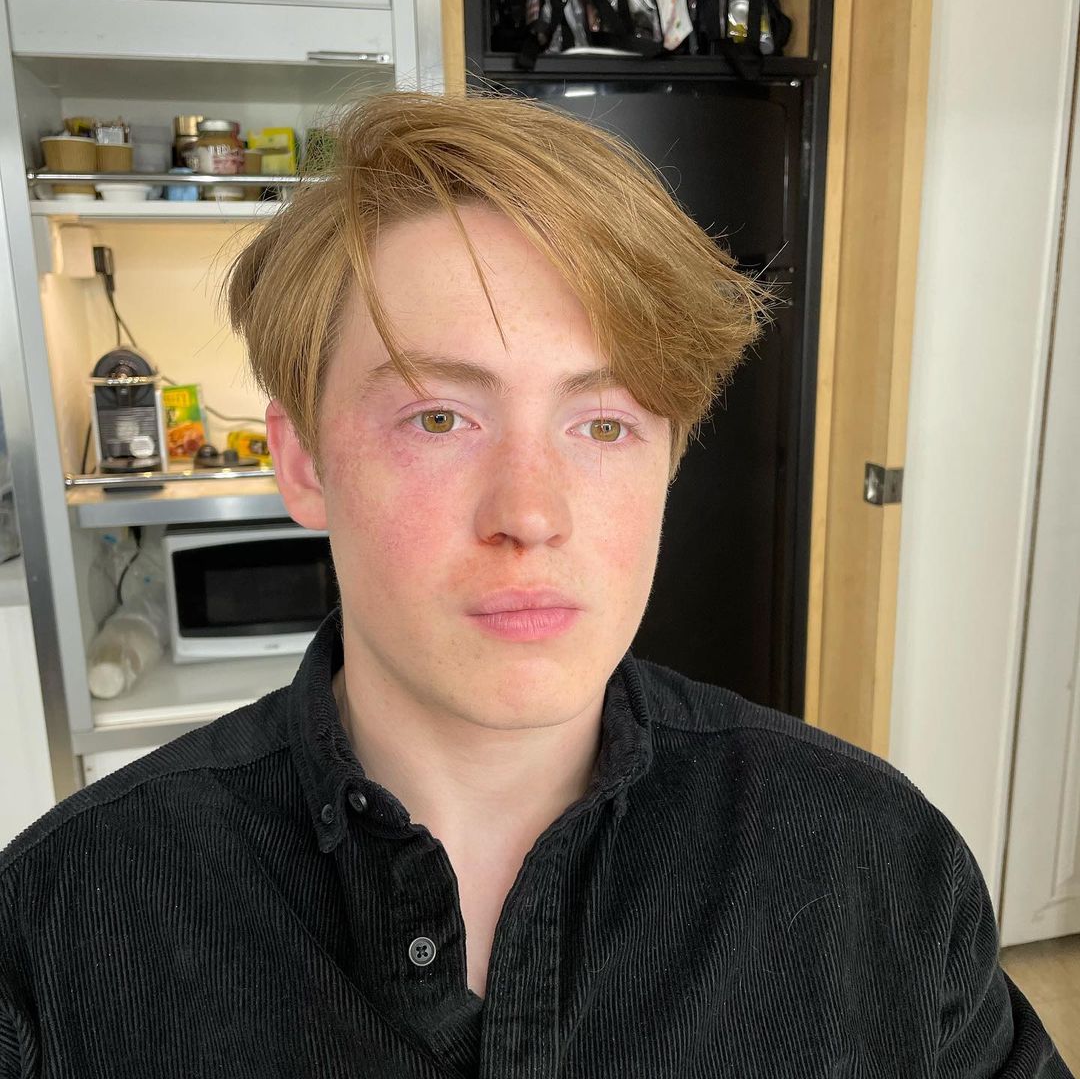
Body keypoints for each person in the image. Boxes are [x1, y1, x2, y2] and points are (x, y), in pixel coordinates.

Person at [0, 90, 1071, 1078]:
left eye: (602, 425)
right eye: (438, 417)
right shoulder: (62, 928)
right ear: (304, 462)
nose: (531, 512)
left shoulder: (881, 870)